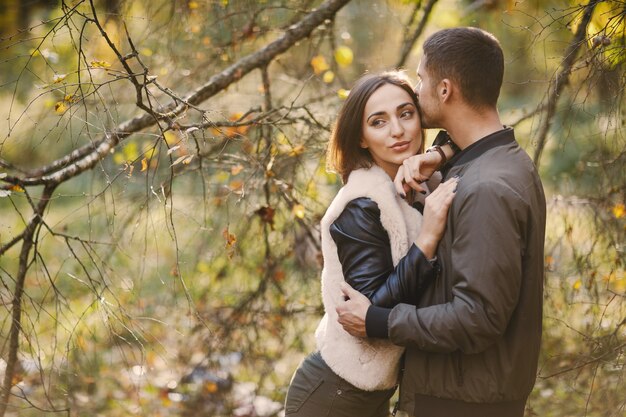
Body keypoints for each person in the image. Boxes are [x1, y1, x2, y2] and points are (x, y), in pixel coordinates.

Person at [337, 27, 547, 417]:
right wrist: (439, 154)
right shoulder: (498, 162)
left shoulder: (487, 187)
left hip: (459, 401)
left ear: (445, 89)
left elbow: (478, 317)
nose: (416, 91)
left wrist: (380, 321)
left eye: (420, 79)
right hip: (464, 393)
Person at [284, 71, 458, 417]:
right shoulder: (362, 204)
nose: (398, 130)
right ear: (361, 137)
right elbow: (370, 317)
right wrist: (426, 240)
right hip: (333, 394)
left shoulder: (408, 186)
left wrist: (440, 153)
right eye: (378, 122)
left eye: (406, 113)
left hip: (370, 393)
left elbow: (476, 128)